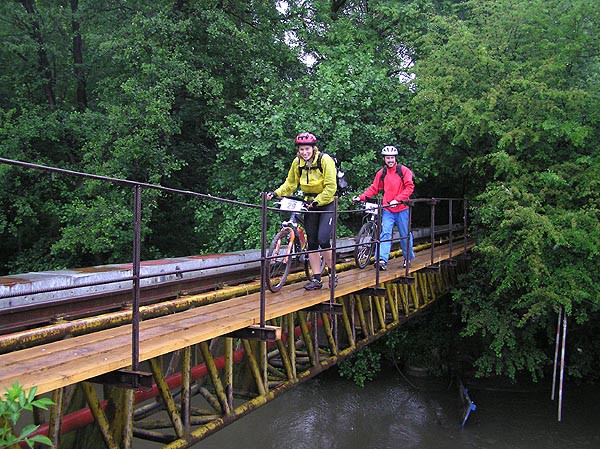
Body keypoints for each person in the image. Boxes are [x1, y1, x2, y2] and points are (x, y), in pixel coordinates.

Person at [266, 132, 338, 290]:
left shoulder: (324, 160)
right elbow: (290, 184)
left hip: (325, 203)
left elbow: (331, 187)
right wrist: (275, 193)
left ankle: (332, 272)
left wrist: (318, 201)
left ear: (313, 148)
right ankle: (317, 278)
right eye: (301, 150)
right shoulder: (297, 163)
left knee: (323, 240)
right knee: (312, 242)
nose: (305, 152)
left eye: (307, 149)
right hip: (308, 203)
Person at [352, 145, 415, 270]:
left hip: (402, 208)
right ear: (384, 159)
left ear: (395, 158)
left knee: (404, 234)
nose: (390, 160)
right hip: (388, 208)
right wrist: (361, 197)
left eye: (392, 158)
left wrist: (398, 199)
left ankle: (407, 258)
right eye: (388, 158)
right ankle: (381, 260)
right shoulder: (382, 173)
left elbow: (409, 187)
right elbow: (374, 188)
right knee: (385, 233)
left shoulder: (403, 171)